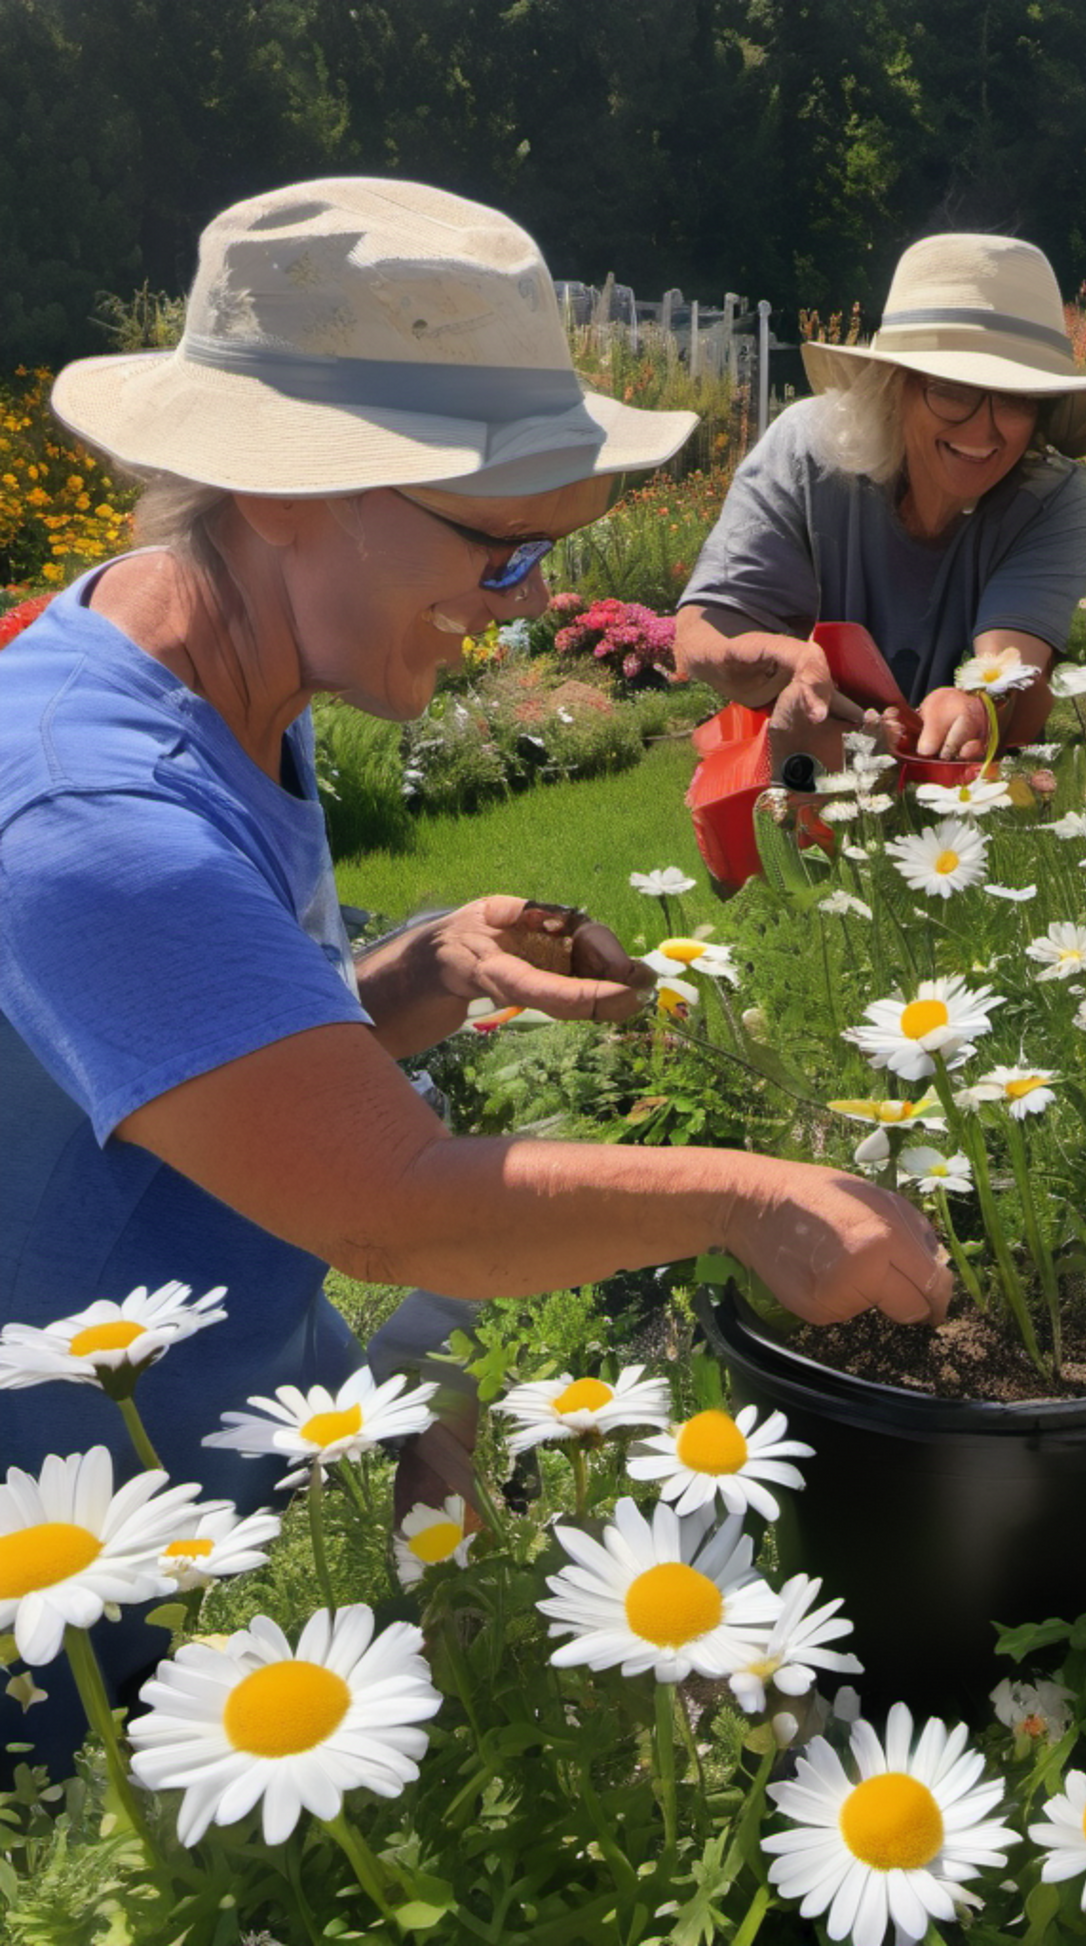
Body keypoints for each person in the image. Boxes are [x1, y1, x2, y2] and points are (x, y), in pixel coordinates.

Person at [0, 178, 951, 1768]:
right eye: (500, 549)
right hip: (99, 1611)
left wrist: (416, 972)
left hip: (249, 1425)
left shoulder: (223, 664)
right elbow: (389, 1203)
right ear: (285, 487)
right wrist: (759, 1195)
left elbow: (187, 1073)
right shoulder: (91, 810)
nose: (517, 613)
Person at [675, 233, 1086, 764]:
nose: (984, 429)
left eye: (1016, 398)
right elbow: (703, 630)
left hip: (964, 793)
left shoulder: (1057, 499)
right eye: (952, 390)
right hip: (793, 774)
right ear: (893, 386)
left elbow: (1010, 661)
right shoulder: (807, 451)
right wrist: (779, 660)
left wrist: (975, 702)